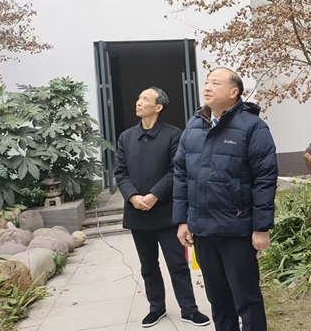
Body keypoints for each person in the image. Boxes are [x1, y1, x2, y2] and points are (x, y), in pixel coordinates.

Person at [173, 68, 278, 331]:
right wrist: (182, 220)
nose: (207, 87)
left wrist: (261, 227)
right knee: (218, 301)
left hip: (236, 230)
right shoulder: (194, 125)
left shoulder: (252, 127)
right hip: (203, 231)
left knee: (247, 300)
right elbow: (181, 173)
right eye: (207, 82)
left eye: (215, 83)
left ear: (234, 92)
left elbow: (264, 179)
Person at [114, 87, 211, 328]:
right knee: (148, 265)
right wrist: (133, 197)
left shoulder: (173, 135)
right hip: (137, 212)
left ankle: (189, 309)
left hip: (166, 211)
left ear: (158, 107)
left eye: (145, 99)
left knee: (177, 264)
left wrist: (155, 195)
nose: (138, 102)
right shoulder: (126, 137)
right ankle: (156, 307)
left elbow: (175, 170)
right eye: (139, 98)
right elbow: (120, 172)